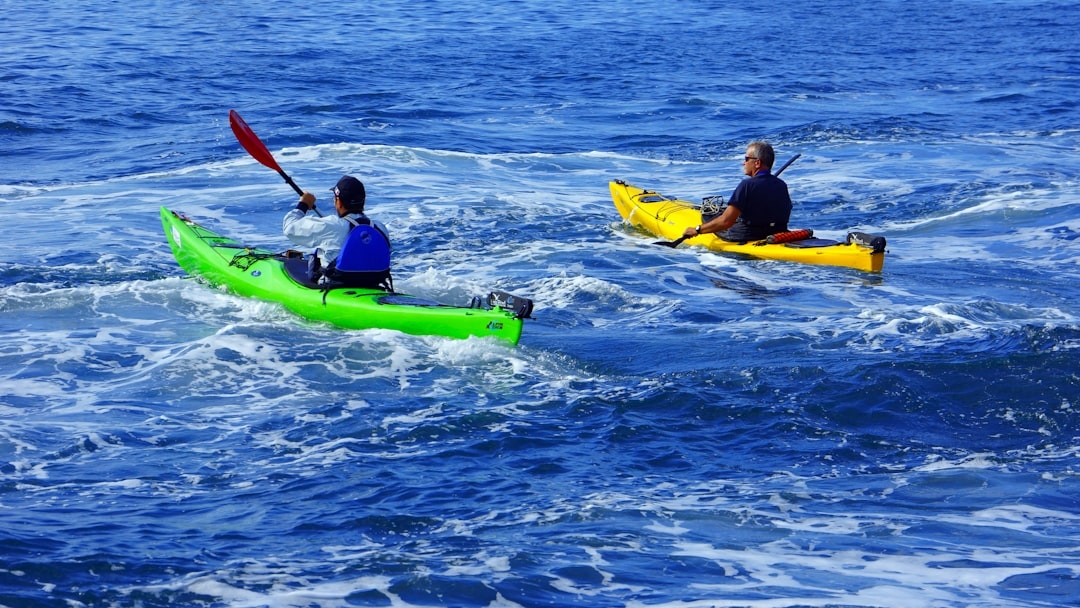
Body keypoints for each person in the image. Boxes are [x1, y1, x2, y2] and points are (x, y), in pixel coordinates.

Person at [683, 141, 792, 242]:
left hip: (746, 236)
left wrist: (697, 230)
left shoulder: (747, 185)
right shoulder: (781, 184)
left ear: (757, 163)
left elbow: (726, 222)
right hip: (776, 234)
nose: (743, 163)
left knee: (708, 216)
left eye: (746, 159)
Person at [282, 175, 391, 276]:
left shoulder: (331, 225)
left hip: (334, 286)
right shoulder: (380, 228)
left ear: (338, 202)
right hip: (373, 284)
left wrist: (303, 204)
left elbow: (289, 227)